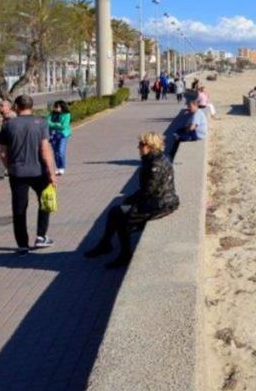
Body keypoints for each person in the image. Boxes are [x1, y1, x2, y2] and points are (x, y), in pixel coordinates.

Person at [84, 132, 179, 268]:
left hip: (160, 204)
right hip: (158, 201)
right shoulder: (154, 159)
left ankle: (125, 255)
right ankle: (105, 245)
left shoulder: (155, 165)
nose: (138, 147)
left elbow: (148, 192)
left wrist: (131, 200)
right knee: (114, 211)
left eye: (141, 144)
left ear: (150, 146)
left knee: (123, 219)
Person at [0, 94, 58, 253]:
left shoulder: (8, 125)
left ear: (16, 106)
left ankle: (22, 245)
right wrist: (52, 172)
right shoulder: (41, 123)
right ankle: (41, 236)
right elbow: (45, 150)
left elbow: (2, 151)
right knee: (45, 202)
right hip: (39, 172)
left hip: (17, 173)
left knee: (19, 208)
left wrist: (8, 167)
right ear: (31, 106)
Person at [0, 99, 15, 181]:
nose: (0, 107)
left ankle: (12, 171)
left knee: (12, 155)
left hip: (12, 139)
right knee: (1, 155)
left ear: (8, 107)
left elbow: (11, 118)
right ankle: (0, 174)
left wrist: (1, 119)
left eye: (2, 106)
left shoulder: (13, 115)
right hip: (1, 139)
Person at [47, 99, 72, 175]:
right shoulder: (52, 114)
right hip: (53, 135)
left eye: (58, 107)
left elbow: (64, 126)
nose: (56, 108)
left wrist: (54, 125)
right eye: (55, 107)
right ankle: (58, 167)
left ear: (62, 107)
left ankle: (62, 167)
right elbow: (48, 122)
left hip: (63, 135)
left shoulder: (66, 114)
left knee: (60, 151)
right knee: (56, 152)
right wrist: (57, 124)